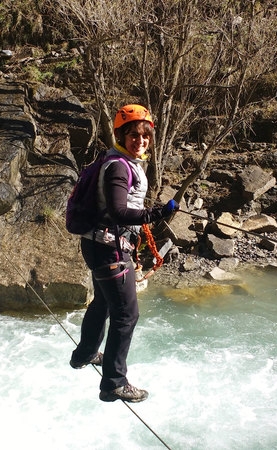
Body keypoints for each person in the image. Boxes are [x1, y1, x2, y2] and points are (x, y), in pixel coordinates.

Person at [69, 104, 178, 403]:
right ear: (121, 135)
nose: (140, 141)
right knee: (127, 314)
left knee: (103, 302)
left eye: (145, 136)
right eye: (133, 135)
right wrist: (157, 213)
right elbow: (118, 211)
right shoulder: (119, 166)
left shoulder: (117, 160)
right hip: (109, 249)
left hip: (98, 245)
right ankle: (114, 383)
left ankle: (85, 354)